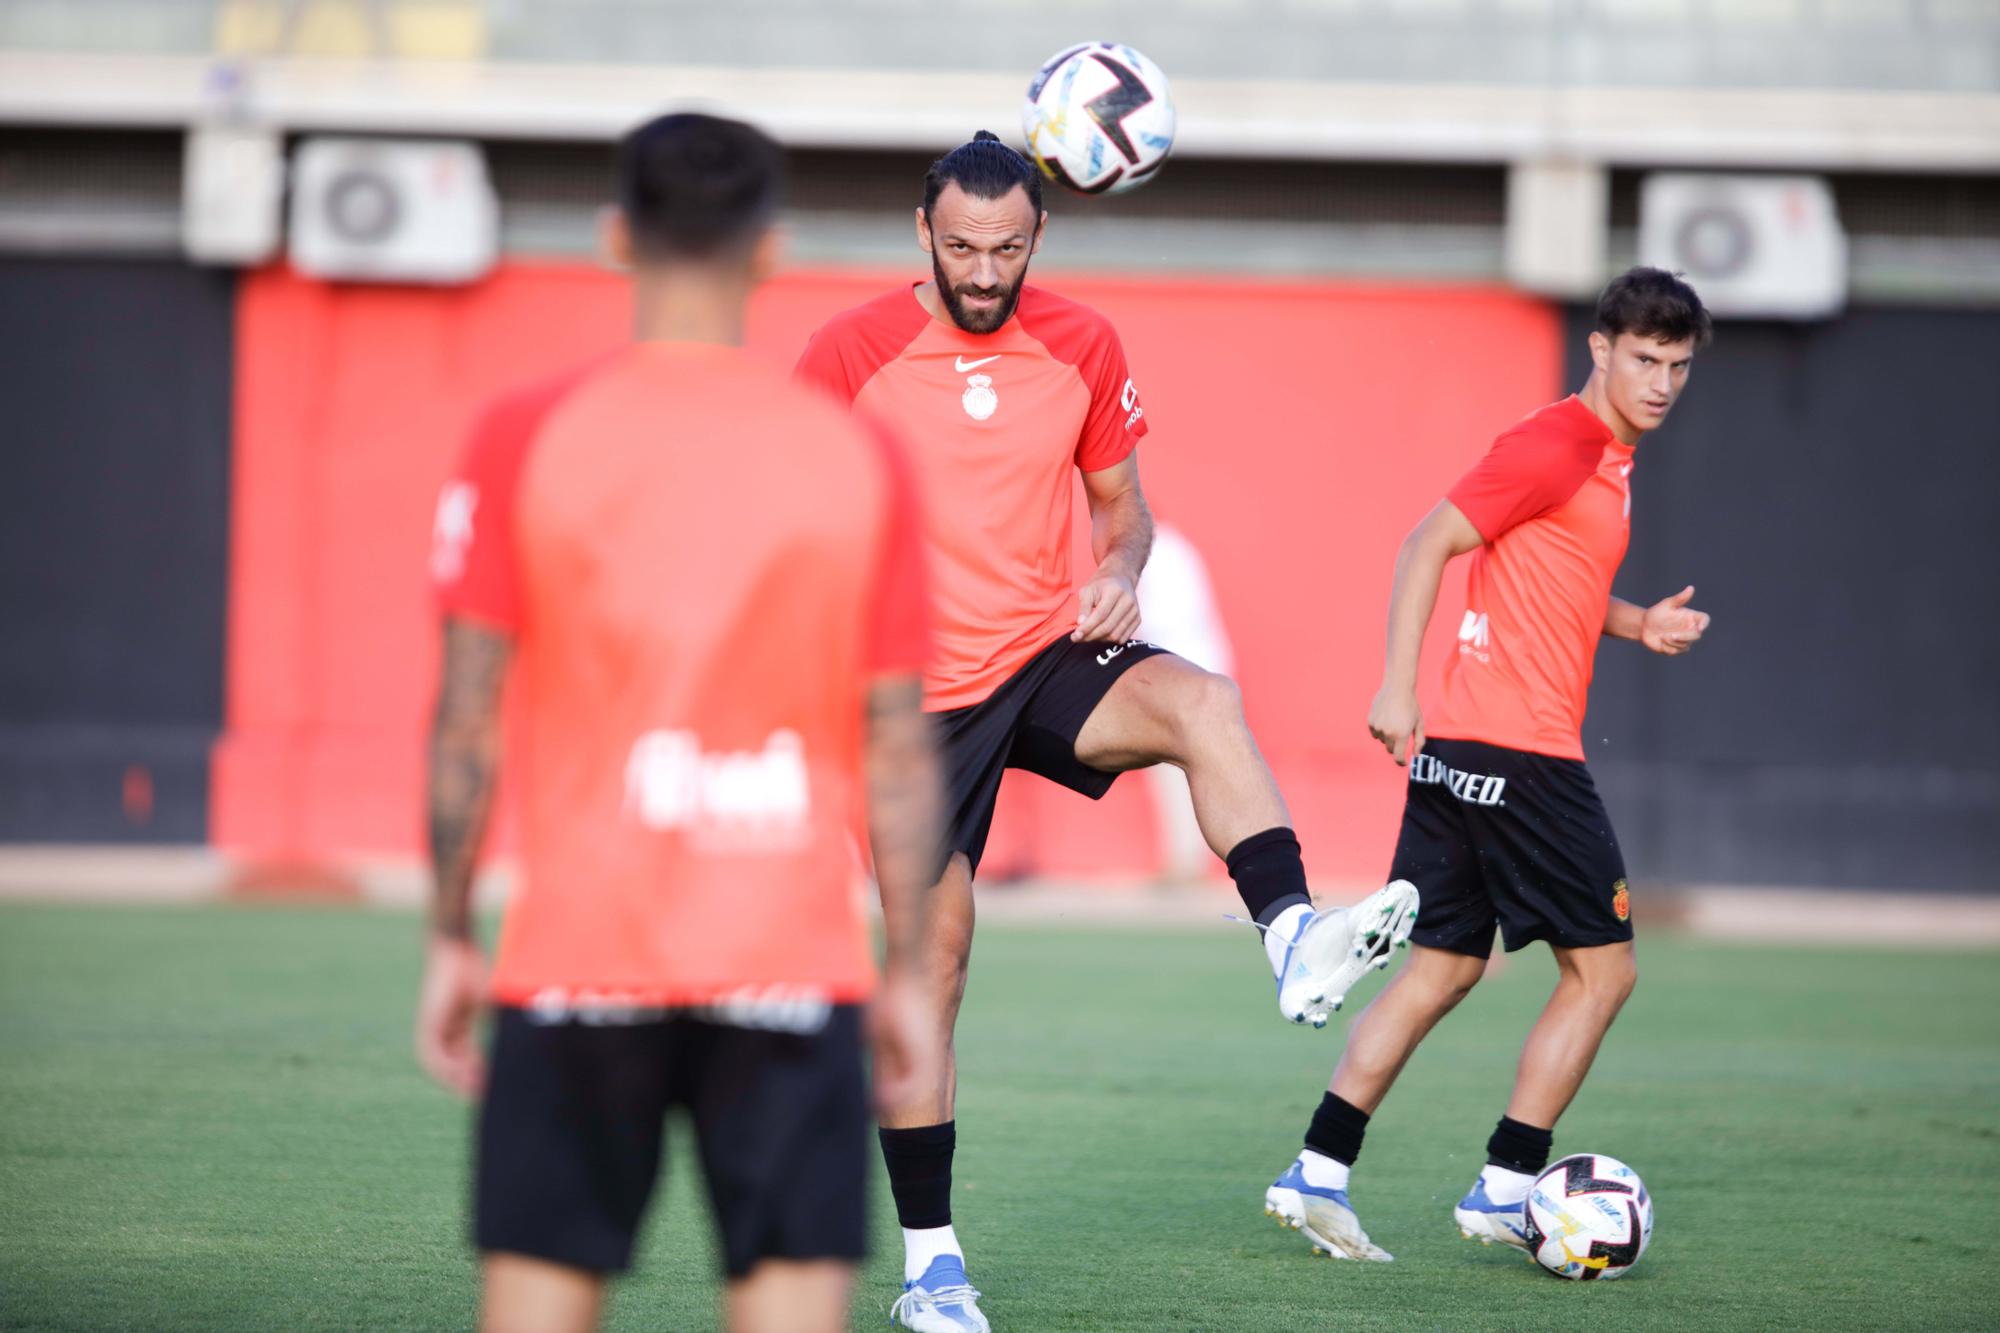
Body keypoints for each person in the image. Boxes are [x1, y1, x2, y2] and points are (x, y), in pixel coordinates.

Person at [794, 131, 1417, 1331]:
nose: (985, 272)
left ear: (1042, 238)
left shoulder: (1082, 342)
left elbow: (1123, 513)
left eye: (1009, 248)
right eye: (964, 247)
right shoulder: (848, 351)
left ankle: (1290, 933)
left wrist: (1122, 575)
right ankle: (930, 1268)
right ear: (922, 234)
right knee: (933, 965)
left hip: (1040, 653)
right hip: (903, 702)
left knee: (1201, 700)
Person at [413, 112, 942, 1333]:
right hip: (791, 960)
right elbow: (897, 743)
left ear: (613, 238)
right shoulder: (858, 457)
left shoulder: (520, 434)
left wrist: (450, 931)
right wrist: (906, 968)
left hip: (576, 953)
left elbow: (464, 720)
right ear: (770, 250)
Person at [1263, 267, 1714, 1263]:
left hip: (1468, 752)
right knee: (1602, 975)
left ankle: (1318, 1170)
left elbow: (1554, 572)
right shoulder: (1556, 442)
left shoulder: (1600, 457)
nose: (1660, 381)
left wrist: (1636, 621)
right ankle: (1508, 1186)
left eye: (1677, 365)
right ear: (1597, 349)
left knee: (1441, 966)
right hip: (1519, 754)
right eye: (1642, 359)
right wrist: (1395, 686)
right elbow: (1427, 540)